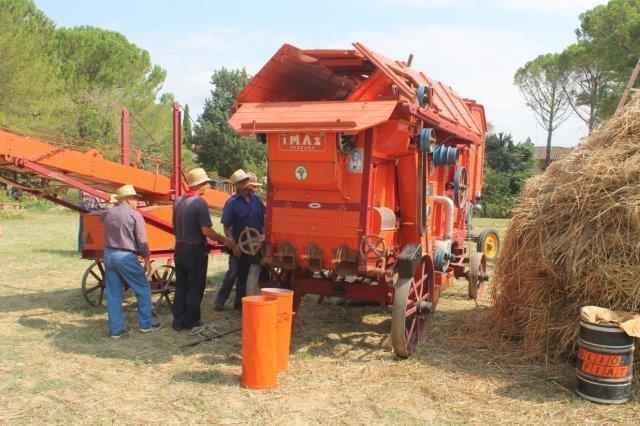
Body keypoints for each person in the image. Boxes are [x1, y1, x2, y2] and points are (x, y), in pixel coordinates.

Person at [172, 168, 231, 333]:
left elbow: (174, 227)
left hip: (179, 247)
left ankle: (178, 321)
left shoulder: (178, 201)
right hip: (194, 249)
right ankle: (192, 321)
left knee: (181, 285)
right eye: (206, 183)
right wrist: (224, 239)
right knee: (195, 286)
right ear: (201, 185)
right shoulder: (200, 203)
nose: (208, 186)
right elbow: (206, 231)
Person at [101, 184, 161, 338]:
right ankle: (146, 324)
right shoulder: (135, 215)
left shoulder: (109, 213)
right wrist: (147, 260)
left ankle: (116, 330)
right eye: (135, 198)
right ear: (128, 199)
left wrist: (112, 203)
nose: (137, 201)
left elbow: (101, 216)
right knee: (143, 288)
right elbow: (142, 240)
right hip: (125, 255)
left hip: (109, 254)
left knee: (113, 293)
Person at [214, 172, 263, 311]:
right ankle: (220, 301)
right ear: (238, 186)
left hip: (255, 244)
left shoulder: (257, 200)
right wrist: (234, 245)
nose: (248, 183)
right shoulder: (232, 203)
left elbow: (264, 220)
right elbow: (226, 227)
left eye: (248, 180)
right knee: (234, 273)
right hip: (238, 244)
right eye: (245, 181)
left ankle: (239, 304)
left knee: (246, 274)